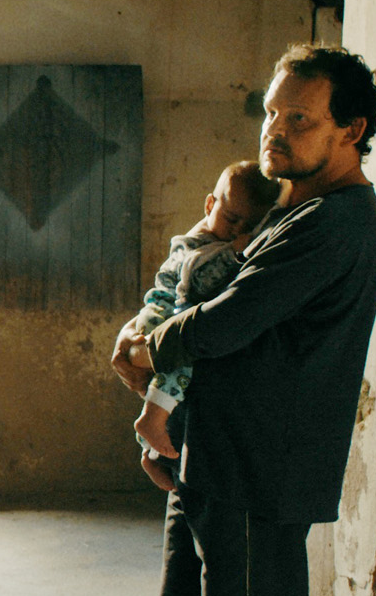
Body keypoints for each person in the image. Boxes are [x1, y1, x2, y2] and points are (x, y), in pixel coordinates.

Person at [111, 44, 376, 596]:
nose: (275, 131)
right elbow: (195, 284)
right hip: (216, 458)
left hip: (257, 470)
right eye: (271, 114)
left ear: (351, 130)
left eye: (299, 119)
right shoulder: (288, 211)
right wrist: (144, 329)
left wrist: (146, 349)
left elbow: (225, 322)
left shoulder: (333, 222)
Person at [121, 160, 284, 492]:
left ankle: (151, 453)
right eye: (231, 219)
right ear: (210, 204)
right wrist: (237, 253)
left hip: (165, 311)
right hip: (164, 312)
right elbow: (196, 281)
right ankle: (151, 420)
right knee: (182, 363)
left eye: (248, 227)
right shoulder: (202, 243)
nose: (237, 233)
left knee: (178, 383)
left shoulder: (219, 233)